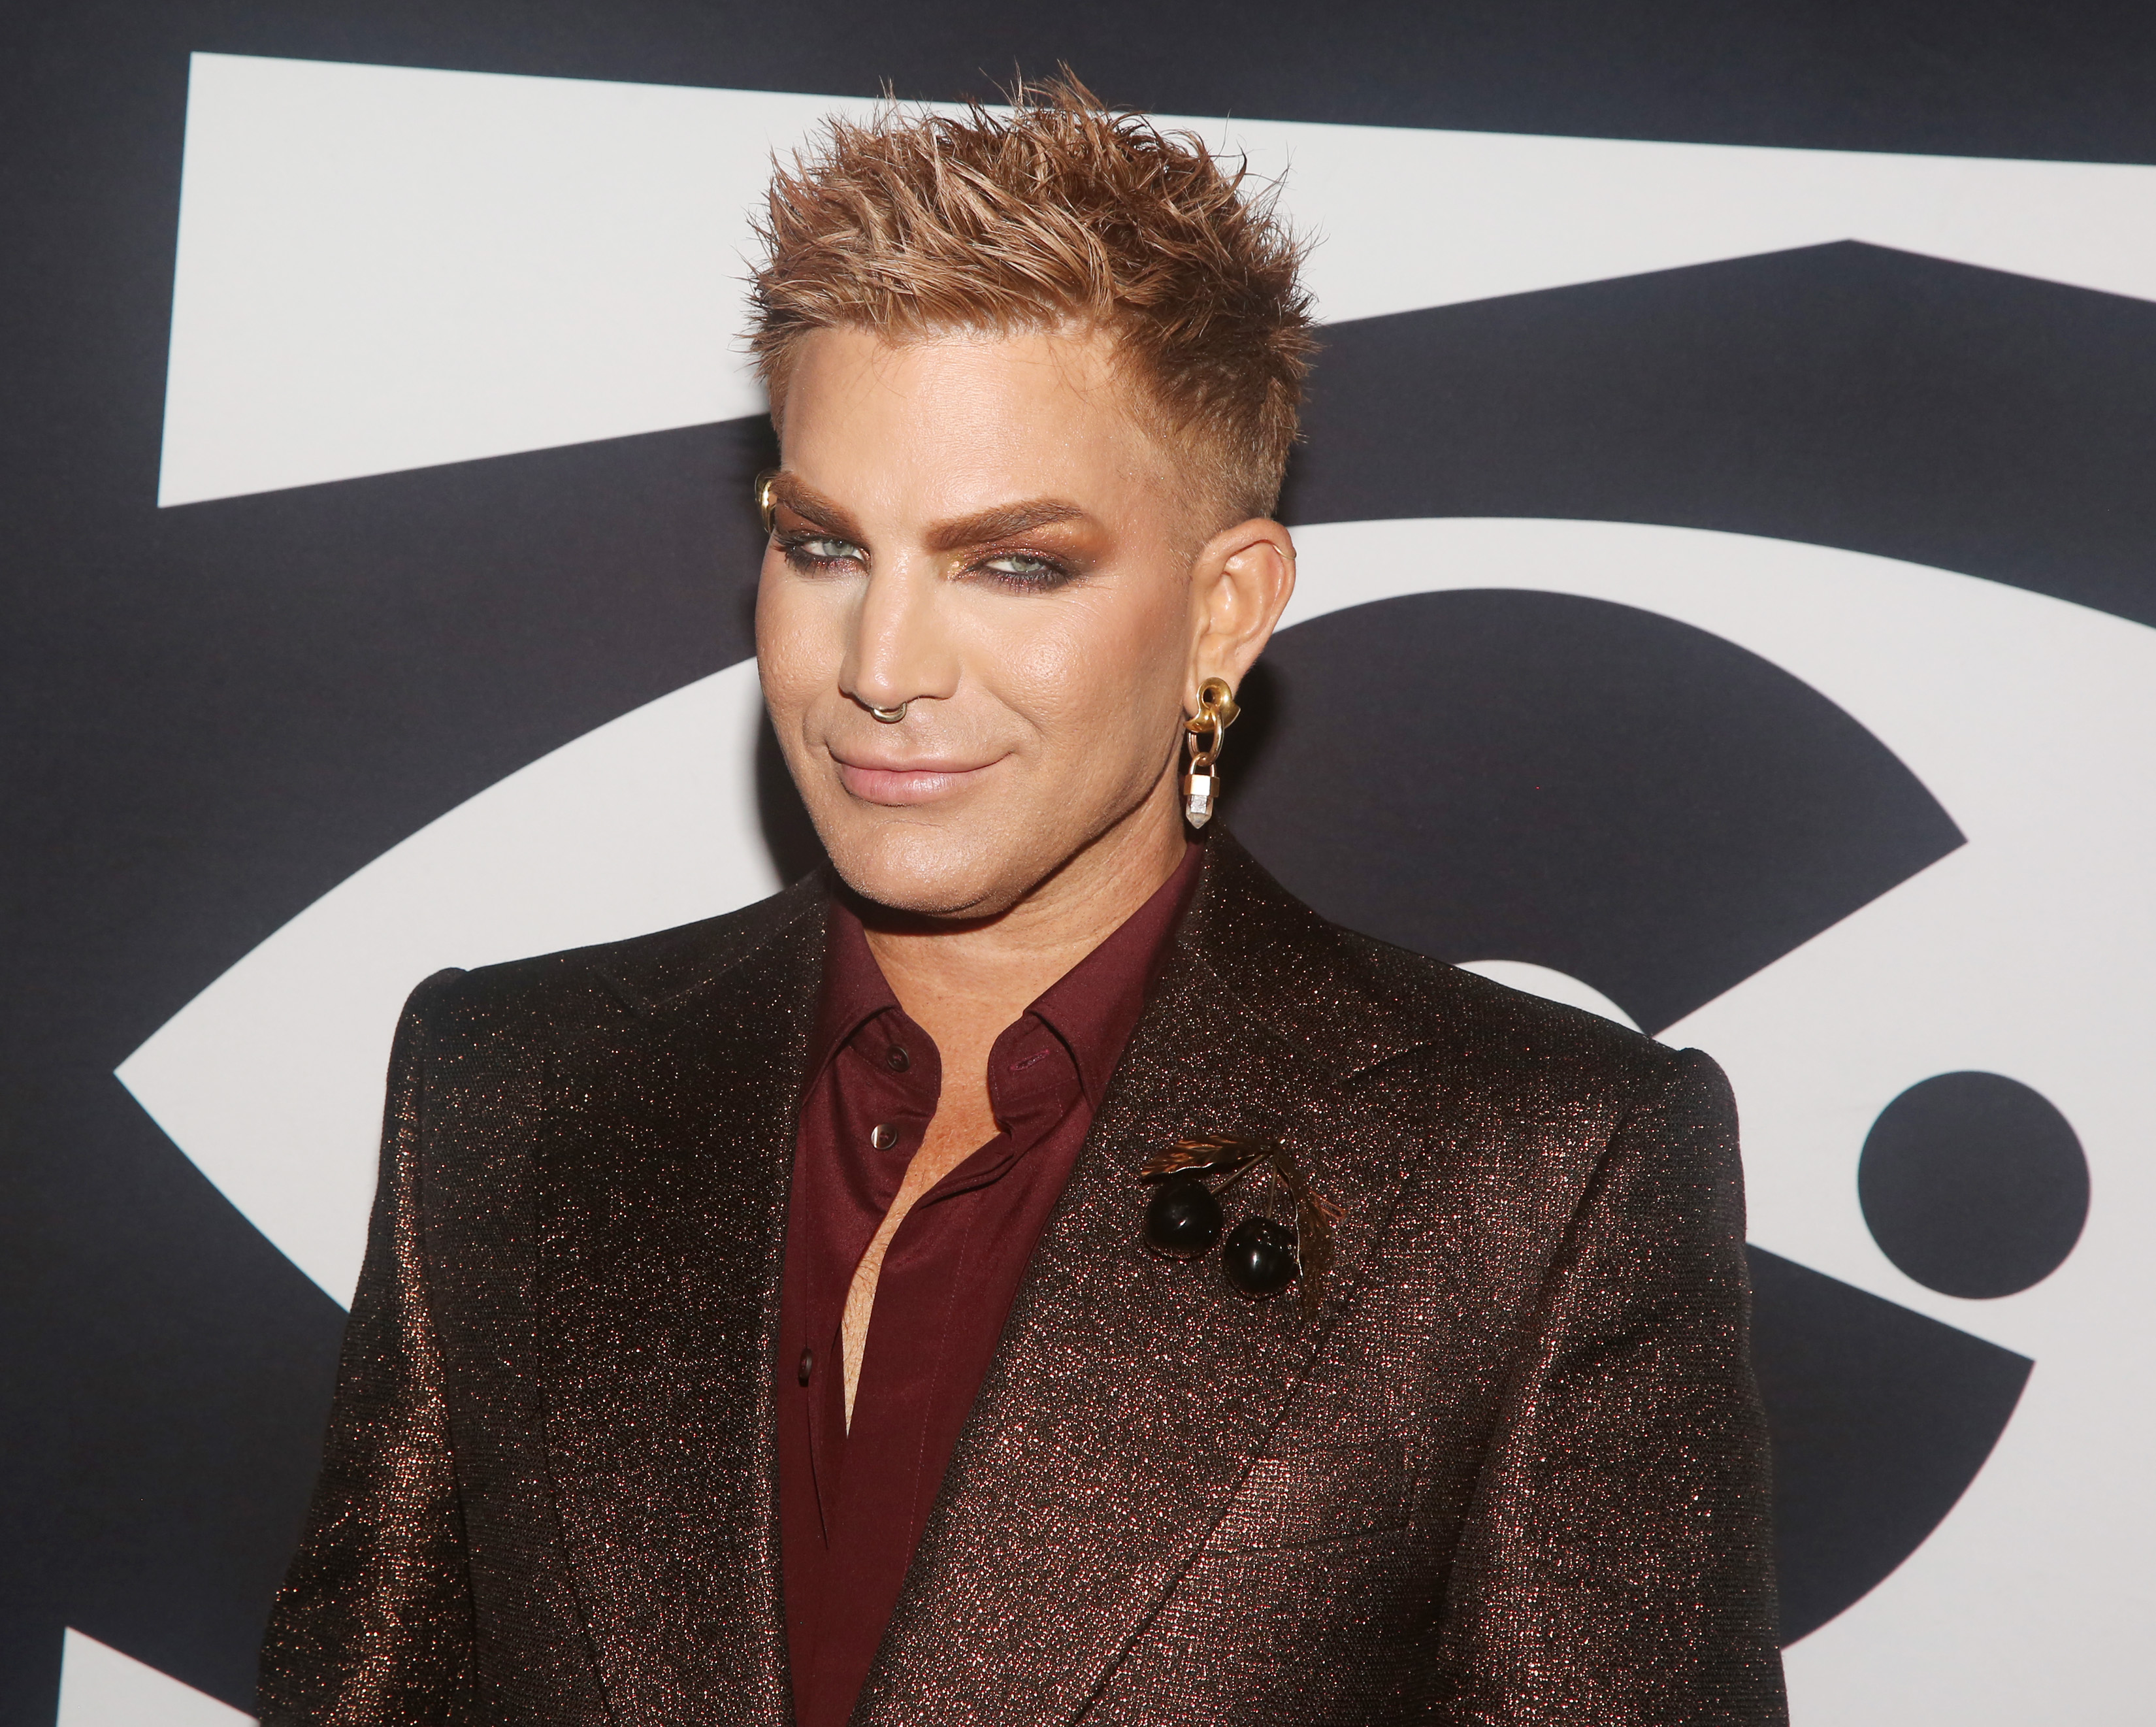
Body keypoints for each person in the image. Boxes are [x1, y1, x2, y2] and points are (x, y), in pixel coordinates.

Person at [259, 78, 1786, 1727]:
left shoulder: (1542, 1168)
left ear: (1226, 610)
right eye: (827, 545)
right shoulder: (514, 1086)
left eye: (1016, 562)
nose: (880, 669)